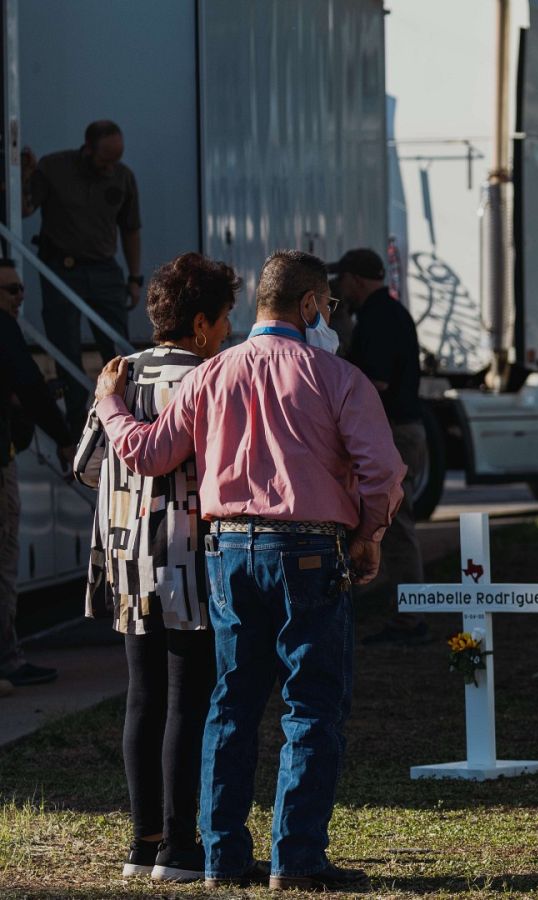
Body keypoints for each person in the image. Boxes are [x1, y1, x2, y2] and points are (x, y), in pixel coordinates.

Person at [93, 250, 403, 891]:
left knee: (229, 705)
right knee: (311, 708)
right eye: (328, 307)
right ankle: (297, 860)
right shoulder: (337, 376)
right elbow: (384, 471)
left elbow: (149, 453)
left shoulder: (212, 375)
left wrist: (108, 405)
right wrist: (370, 534)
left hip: (228, 550)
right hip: (311, 550)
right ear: (311, 305)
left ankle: (222, 857)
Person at [72, 253, 236, 883]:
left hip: (125, 555)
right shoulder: (213, 376)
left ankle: (143, 842)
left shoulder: (119, 372)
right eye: (223, 319)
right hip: (189, 556)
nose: (228, 330)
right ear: (200, 324)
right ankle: (179, 847)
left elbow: (87, 465)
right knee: (187, 702)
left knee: (142, 699)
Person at [330, 248, 427, 643]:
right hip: (404, 428)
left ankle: (411, 617)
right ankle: (399, 606)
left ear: (355, 278)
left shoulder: (378, 317)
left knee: (397, 523)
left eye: (344, 281)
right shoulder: (387, 312)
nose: (342, 289)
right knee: (391, 522)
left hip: (397, 430)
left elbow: (377, 382)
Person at [23, 120, 143, 421]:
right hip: (62, 270)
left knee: (119, 356)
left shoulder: (123, 176)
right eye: (105, 159)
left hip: (104, 271)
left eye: (117, 158)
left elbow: (131, 230)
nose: (110, 167)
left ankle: (125, 426)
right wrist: (24, 174)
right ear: (87, 149)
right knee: (67, 355)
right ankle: (77, 435)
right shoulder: (54, 168)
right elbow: (23, 208)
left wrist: (134, 278)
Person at [0, 259, 73, 692]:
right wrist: (64, 438)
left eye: (21, 289)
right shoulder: (4, 329)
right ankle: (7, 660)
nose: (18, 297)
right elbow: (31, 386)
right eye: (9, 290)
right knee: (4, 559)